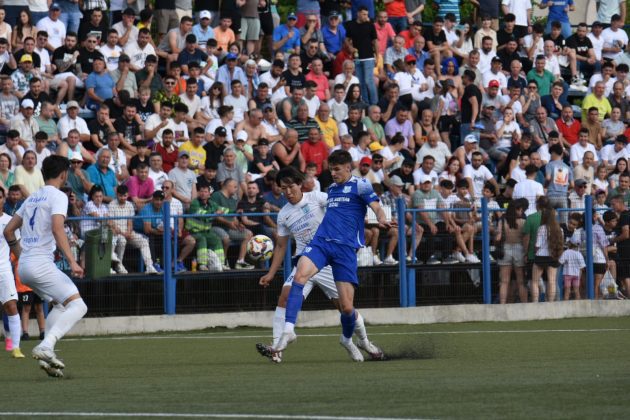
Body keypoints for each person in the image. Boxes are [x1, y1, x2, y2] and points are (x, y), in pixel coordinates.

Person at [270, 150, 394, 361]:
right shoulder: (332, 189)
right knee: (298, 276)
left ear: (348, 167)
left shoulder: (361, 185)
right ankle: (288, 331)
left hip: (344, 250)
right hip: (321, 243)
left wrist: (380, 218)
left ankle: (353, 340)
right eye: (331, 170)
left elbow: (375, 206)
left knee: (347, 308)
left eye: (337, 169)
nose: (333, 174)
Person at [4, 155, 87, 378]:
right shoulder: (58, 196)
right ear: (64, 174)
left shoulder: (31, 198)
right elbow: (58, 228)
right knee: (79, 306)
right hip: (41, 263)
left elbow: (8, 231)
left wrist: (21, 256)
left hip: (25, 267)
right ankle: (46, 345)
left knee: (59, 305)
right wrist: (72, 261)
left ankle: (46, 357)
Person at [0, 186, 24, 358]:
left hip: (3, 269)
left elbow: (18, 246)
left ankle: (16, 348)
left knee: (11, 305)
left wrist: (22, 263)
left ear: (3, 199)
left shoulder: (10, 221)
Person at [495, 198, 528, 304]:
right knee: (521, 282)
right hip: (519, 249)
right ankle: (525, 305)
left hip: (505, 249)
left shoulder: (502, 220)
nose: (521, 211)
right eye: (520, 209)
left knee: (504, 282)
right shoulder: (523, 221)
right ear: (516, 209)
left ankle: (502, 305)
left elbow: (498, 237)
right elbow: (526, 238)